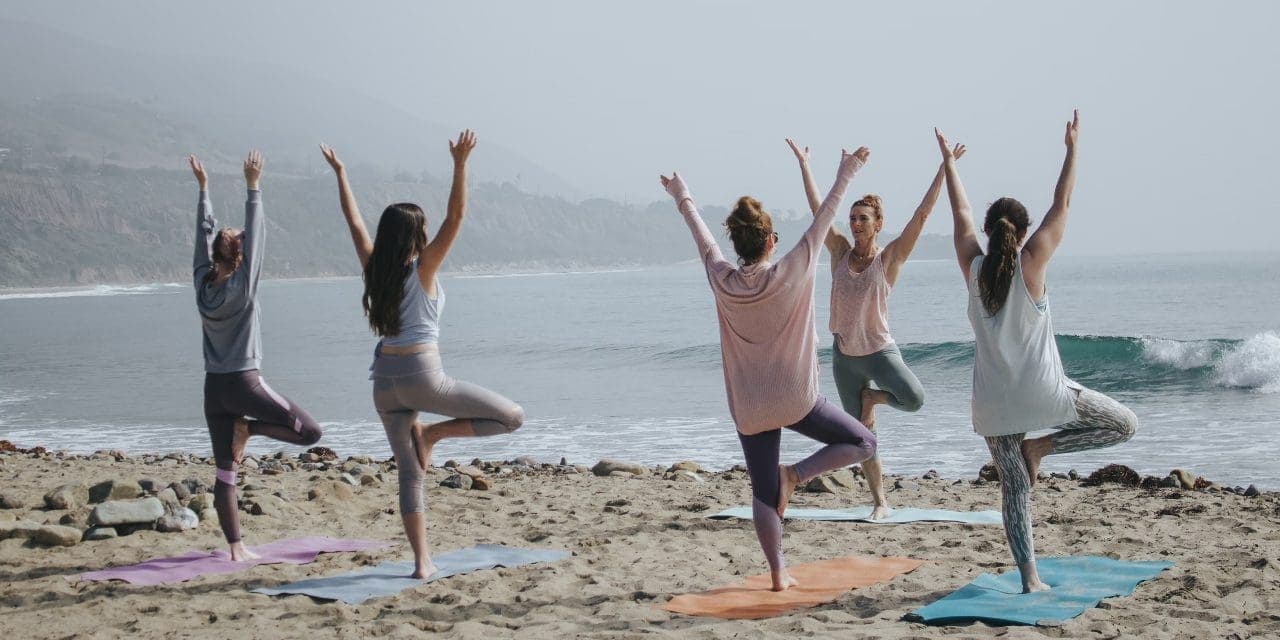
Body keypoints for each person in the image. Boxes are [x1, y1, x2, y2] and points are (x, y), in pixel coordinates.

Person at [659, 146, 877, 592]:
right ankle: (795, 475)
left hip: (751, 407)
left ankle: (778, 575)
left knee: (761, 494)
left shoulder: (721, 278)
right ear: (771, 240)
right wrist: (847, 171)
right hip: (797, 399)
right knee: (864, 442)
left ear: (737, 245)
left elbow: (701, 237)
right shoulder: (792, 269)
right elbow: (826, 217)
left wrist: (682, 195)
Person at [936, 111, 1137, 592]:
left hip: (993, 405)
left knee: (1015, 490)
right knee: (1124, 425)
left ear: (988, 233)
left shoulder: (973, 268)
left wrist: (950, 165)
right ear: (1022, 233)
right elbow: (1062, 202)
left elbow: (959, 216)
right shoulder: (1033, 263)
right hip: (1045, 395)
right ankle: (1043, 445)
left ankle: (1030, 579)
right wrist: (1071, 150)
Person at [320, 131, 524, 579]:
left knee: (409, 475)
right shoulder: (423, 267)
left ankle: (422, 563)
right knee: (511, 417)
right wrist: (460, 163)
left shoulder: (375, 270)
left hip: (383, 386)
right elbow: (457, 217)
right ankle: (432, 434)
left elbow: (354, 223)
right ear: (417, 234)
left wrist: (341, 174)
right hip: (422, 377)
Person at [785, 138, 966, 519]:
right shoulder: (836, 252)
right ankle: (880, 501)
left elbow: (921, 215)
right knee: (863, 440)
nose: (854, 223)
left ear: (878, 223)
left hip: (880, 354)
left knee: (914, 399)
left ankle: (875, 399)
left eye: (863, 218)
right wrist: (804, 165)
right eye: (852, 217)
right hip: (845, 359)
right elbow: (821, 211)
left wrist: (943, 168)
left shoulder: (890, 258)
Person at [190, 151, 323, 561]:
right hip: (246, 384)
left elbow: (201, 234)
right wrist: (253, 186)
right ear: (241, 257)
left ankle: (236, 548)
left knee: (224, 472)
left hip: (214, 390)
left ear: (214, 255)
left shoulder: (201, 282)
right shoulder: (244, 286)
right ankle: (251, 430)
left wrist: (204, 191)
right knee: (310, 433)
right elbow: (257, 231)